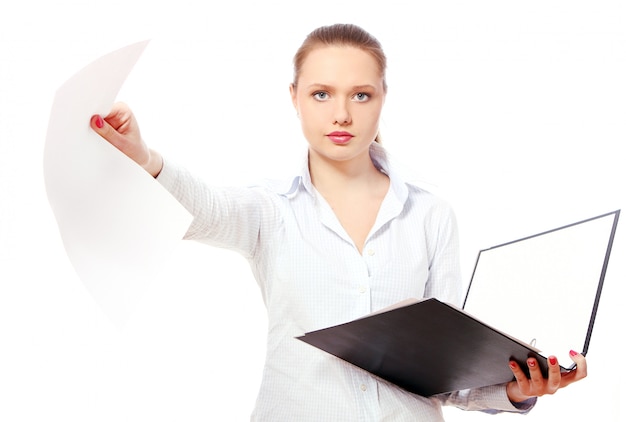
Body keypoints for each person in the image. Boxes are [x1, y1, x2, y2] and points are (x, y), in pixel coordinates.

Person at [89, 23, 587, 421]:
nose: (342, 114)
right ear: (294, 97)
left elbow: (448, 373)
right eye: (322, 94)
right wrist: (146, 158)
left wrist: (517, 391)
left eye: (361, 95)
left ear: (383, 97)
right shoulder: (272, 207)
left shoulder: (430, 213)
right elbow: (205, 209)